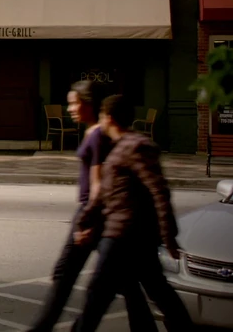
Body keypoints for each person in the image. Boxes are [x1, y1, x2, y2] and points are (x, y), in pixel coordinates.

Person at [26, 82, 156, 332]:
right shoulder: (96, 133)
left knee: (66, 273)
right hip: (102, 214)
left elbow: (98, 184)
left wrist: (87, 220)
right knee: (126, 279)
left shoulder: (97, 135)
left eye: (74, 103)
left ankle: (41, 328)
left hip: (91, 211)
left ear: (88, 104)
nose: (70, 108)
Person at [71, 94, 194, 332]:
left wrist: (169, 236)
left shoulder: (137, 147)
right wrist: (85, 221)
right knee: (156, 290)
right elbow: (105, 194)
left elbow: (159, 192)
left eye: (102, 117)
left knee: (98, 295)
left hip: (124, 236)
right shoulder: (119, 149)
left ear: (109, 118)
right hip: (130, 236)